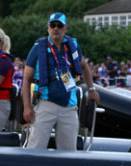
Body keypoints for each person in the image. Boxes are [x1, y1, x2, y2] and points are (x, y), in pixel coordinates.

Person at [21, 12, 100, 150]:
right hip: (45, 103)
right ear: (48, 28)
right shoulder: (38, 47)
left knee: (69, 153)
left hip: (69, 106)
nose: (55, 28)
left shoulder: (72, 46)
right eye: (52, 25)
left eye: (59, 25)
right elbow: (26, 80)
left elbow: (85, 67)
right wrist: (27, 107)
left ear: (65, 28)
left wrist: (92, 89)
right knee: (35, 150)